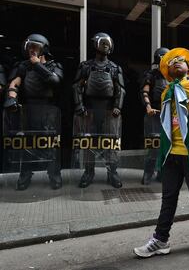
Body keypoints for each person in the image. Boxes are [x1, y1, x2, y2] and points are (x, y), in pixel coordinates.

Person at [133, 47, 189, 258]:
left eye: (180, 61)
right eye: (171, 61)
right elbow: (166, 127)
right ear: (167, 70)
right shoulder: (166, 92)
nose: (175, 62)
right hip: (172, 153)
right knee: (168, 197)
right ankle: (161, 240)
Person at [3, 34, 63, 190]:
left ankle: (54, 174)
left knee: (51, 145)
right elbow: (14, 83)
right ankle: (25, 173)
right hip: (28, 109)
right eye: (29, 47)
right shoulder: (22, 66)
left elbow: (55, 81)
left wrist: (37, 64)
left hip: (48, 110)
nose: (31, 50)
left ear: (44, 48)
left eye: (35, 47)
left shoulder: (53, 65)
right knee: (27, 144)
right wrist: (11, 97)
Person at [73, 32, 125, 188]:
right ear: (95, 44)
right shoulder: (86, 66)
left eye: (108, 43)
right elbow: (76, 86)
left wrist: (117, 106)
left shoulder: (115, 68)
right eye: (103, 42)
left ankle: (112, 172)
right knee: (89, 142)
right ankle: (89, 172)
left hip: (110, 110)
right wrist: (79, 106)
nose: (106, 45)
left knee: (111, 142)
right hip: (89, 109)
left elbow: (120, 89)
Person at [140, 47, 170, 185]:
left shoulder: (172, 76)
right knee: (153, 146)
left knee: (167, 146)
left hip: (169, 114)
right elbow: (145, 92)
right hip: (154, 114)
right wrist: (148, 106)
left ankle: (162, 173)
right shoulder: (151, 75)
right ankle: (148, 172)